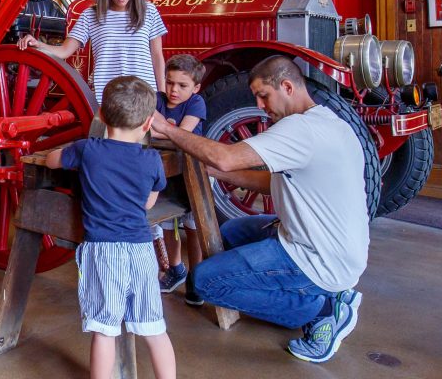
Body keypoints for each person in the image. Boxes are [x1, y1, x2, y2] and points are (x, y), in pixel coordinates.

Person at [151, 56, 368, 364]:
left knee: (205, 282)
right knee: (230, 232)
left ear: (288, 87)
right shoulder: (328, 122)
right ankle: (326, 291)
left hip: (318, 257)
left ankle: (322, 310)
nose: (260, 104)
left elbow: (225, 157)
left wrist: (167, 129)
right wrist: (216, 174)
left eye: (264, 95)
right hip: (338, 248)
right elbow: (270, 181)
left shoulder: (300, 130)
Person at [46, 76, 176, 379]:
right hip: (142, 251)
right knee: (154, 327)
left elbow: (53, 160)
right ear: (147, 124)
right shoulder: (152, 159)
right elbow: (147, 203)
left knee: (104, 330)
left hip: (102, 251)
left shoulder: (87, 150)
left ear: (101, 115)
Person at [18, 0, 167, 103]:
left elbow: (157, 56)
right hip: (110, 99)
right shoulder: (91, 15)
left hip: (145, 97)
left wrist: (162, 95)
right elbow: (64, 51)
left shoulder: (149, 11)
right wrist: (38, 44)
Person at [149, 54, 207, 300]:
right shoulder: (157, 100)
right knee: (167, 224)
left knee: (193, 228)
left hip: (193, 175)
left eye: (182, 85)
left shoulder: (196, 103)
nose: (173, 90)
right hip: (168, 175)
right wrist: (167, 130)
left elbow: (183, 133)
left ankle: (196, 278)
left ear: (195, 87)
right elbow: (149, 128)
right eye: (170, 82)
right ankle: (176, 269)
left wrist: (164, 129)